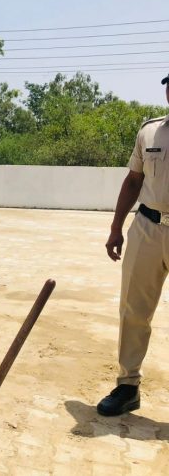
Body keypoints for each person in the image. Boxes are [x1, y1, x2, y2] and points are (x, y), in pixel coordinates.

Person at [97, 74, 169, 417]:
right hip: (147, 228)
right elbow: (134, 180)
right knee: (133, 309)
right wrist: (116, 227)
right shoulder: (150, 131)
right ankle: (128, 385)